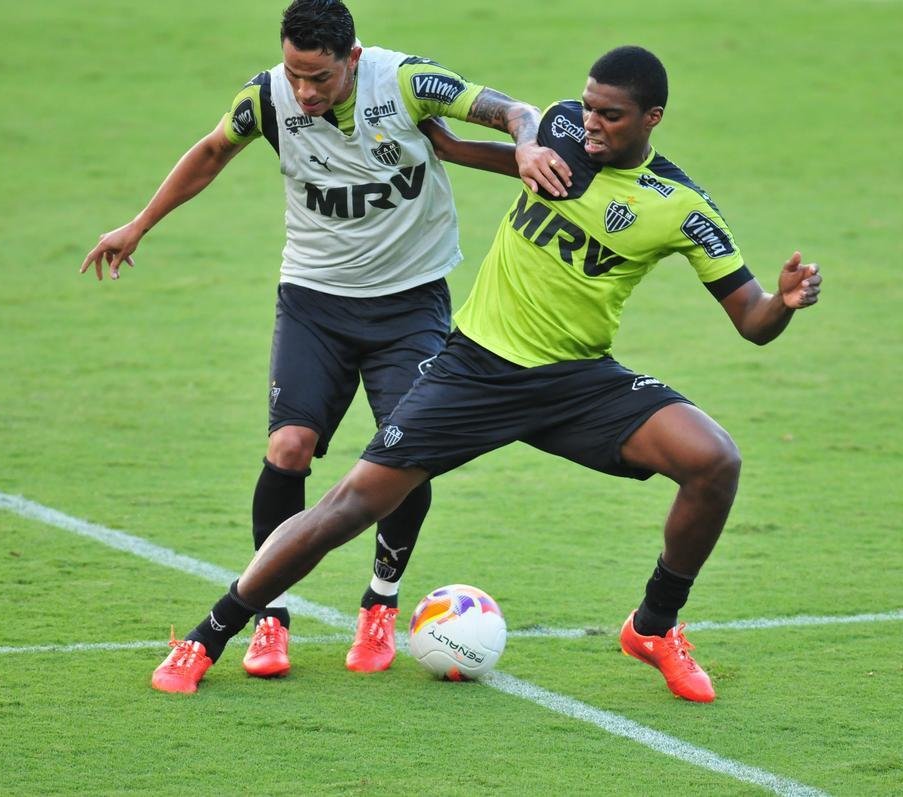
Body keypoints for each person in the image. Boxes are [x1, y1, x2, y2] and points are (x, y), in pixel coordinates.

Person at [151, 45, 822, 700]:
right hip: (473, 371)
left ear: (653, 118)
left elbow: (751, 319)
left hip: (573, 381)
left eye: (610, 115)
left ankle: (654, 625)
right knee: (346, 507)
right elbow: (497, 146)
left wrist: (784, 303)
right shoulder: (559, 130)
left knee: (715, 460)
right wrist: (452, 142)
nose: (590, 122)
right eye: (588, 107)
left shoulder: (679, 206)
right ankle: (211, 633)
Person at [83, 0, 568, 679]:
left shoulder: (404, 82)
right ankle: (270, 615)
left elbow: (513, 110)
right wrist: (139, 224)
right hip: (314, 300)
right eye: (295, 73)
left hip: (409, 303)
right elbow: (213, 150)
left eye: (320, 77)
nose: (305, 91)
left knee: (407, 454)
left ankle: (381, 603)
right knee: (288, 446)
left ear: (354, 59)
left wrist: (527, 142)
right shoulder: (267, 96)